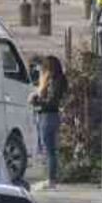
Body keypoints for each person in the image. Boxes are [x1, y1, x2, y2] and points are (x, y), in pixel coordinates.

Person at [29, 56, 68, 189]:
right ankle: (50, 179)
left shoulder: (54, 82)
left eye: (44, 68)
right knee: (49, 149)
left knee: (49, 149)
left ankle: (51, 180)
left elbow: (51, 101)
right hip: (49, 116)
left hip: (48, 116)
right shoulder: (56, 81)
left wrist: (36, 101)